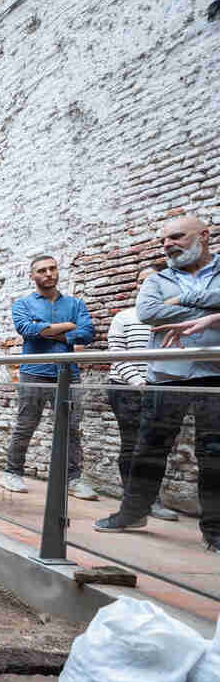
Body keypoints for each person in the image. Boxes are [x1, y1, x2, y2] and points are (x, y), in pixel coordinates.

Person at [96, 215, 220, 553]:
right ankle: (132, 513)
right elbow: (149, 312)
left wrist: (181, 302)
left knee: (215, 454)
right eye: (164, 240)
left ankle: (215, 532)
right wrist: (211, 309)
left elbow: (165, 311)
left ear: (204, 236)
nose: (168, 245)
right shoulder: (159, 279)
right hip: (167, 373)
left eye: (177, 237)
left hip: (215, 373)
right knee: (149, 448)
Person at [0, 255, 97, 499]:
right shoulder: (23, 304)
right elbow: (27, 330)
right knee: (26, 423)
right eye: (42, 270)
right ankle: (12, 473)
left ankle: (72, 479)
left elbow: (86, 334)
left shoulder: (76, 304)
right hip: (34, 372)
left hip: (67, 373)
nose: (48, 273)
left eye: (53, 268)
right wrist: (68, 326)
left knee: (71, 427)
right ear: (32, 276)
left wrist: (49, 330)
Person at [105, 266, 179, 521]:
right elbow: (117, 355)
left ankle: (151, 500)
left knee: (155, 447)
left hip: (160, 389)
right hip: (126, 389)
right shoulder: (124, 317)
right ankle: (133, 502)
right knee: (131, 445)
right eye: (141, 281)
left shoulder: (173, 318)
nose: (145, 285)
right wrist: (139, 382)